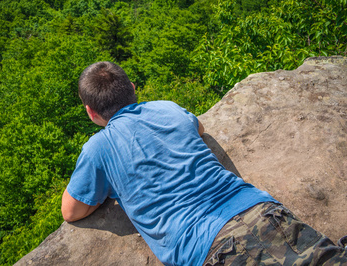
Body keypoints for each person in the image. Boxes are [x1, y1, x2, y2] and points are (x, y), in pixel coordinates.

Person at [61, 61, 347, 266]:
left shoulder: (98, 148)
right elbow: (197, 128)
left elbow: (71, 211)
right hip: (262, 211)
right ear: (133, 89)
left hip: (211, 248)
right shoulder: (166, 108)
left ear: (90, 112)